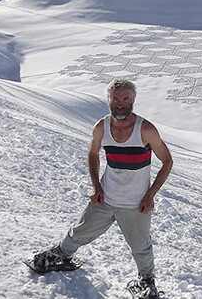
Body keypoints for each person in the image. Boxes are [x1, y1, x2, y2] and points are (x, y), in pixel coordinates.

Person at [30, 78, 173, 297]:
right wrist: (96, 187)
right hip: (106, 197)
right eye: (116, 98)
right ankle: (61, 256)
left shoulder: (145, 129)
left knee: (141, 247)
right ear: (108, 100)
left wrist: (150, 195)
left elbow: (167, 161)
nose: (121, 103)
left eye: (126, 98)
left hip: (135, 203)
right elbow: (93, 153)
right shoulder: (101, 127)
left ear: (133, 100)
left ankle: (147, 282)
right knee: (80, 230)